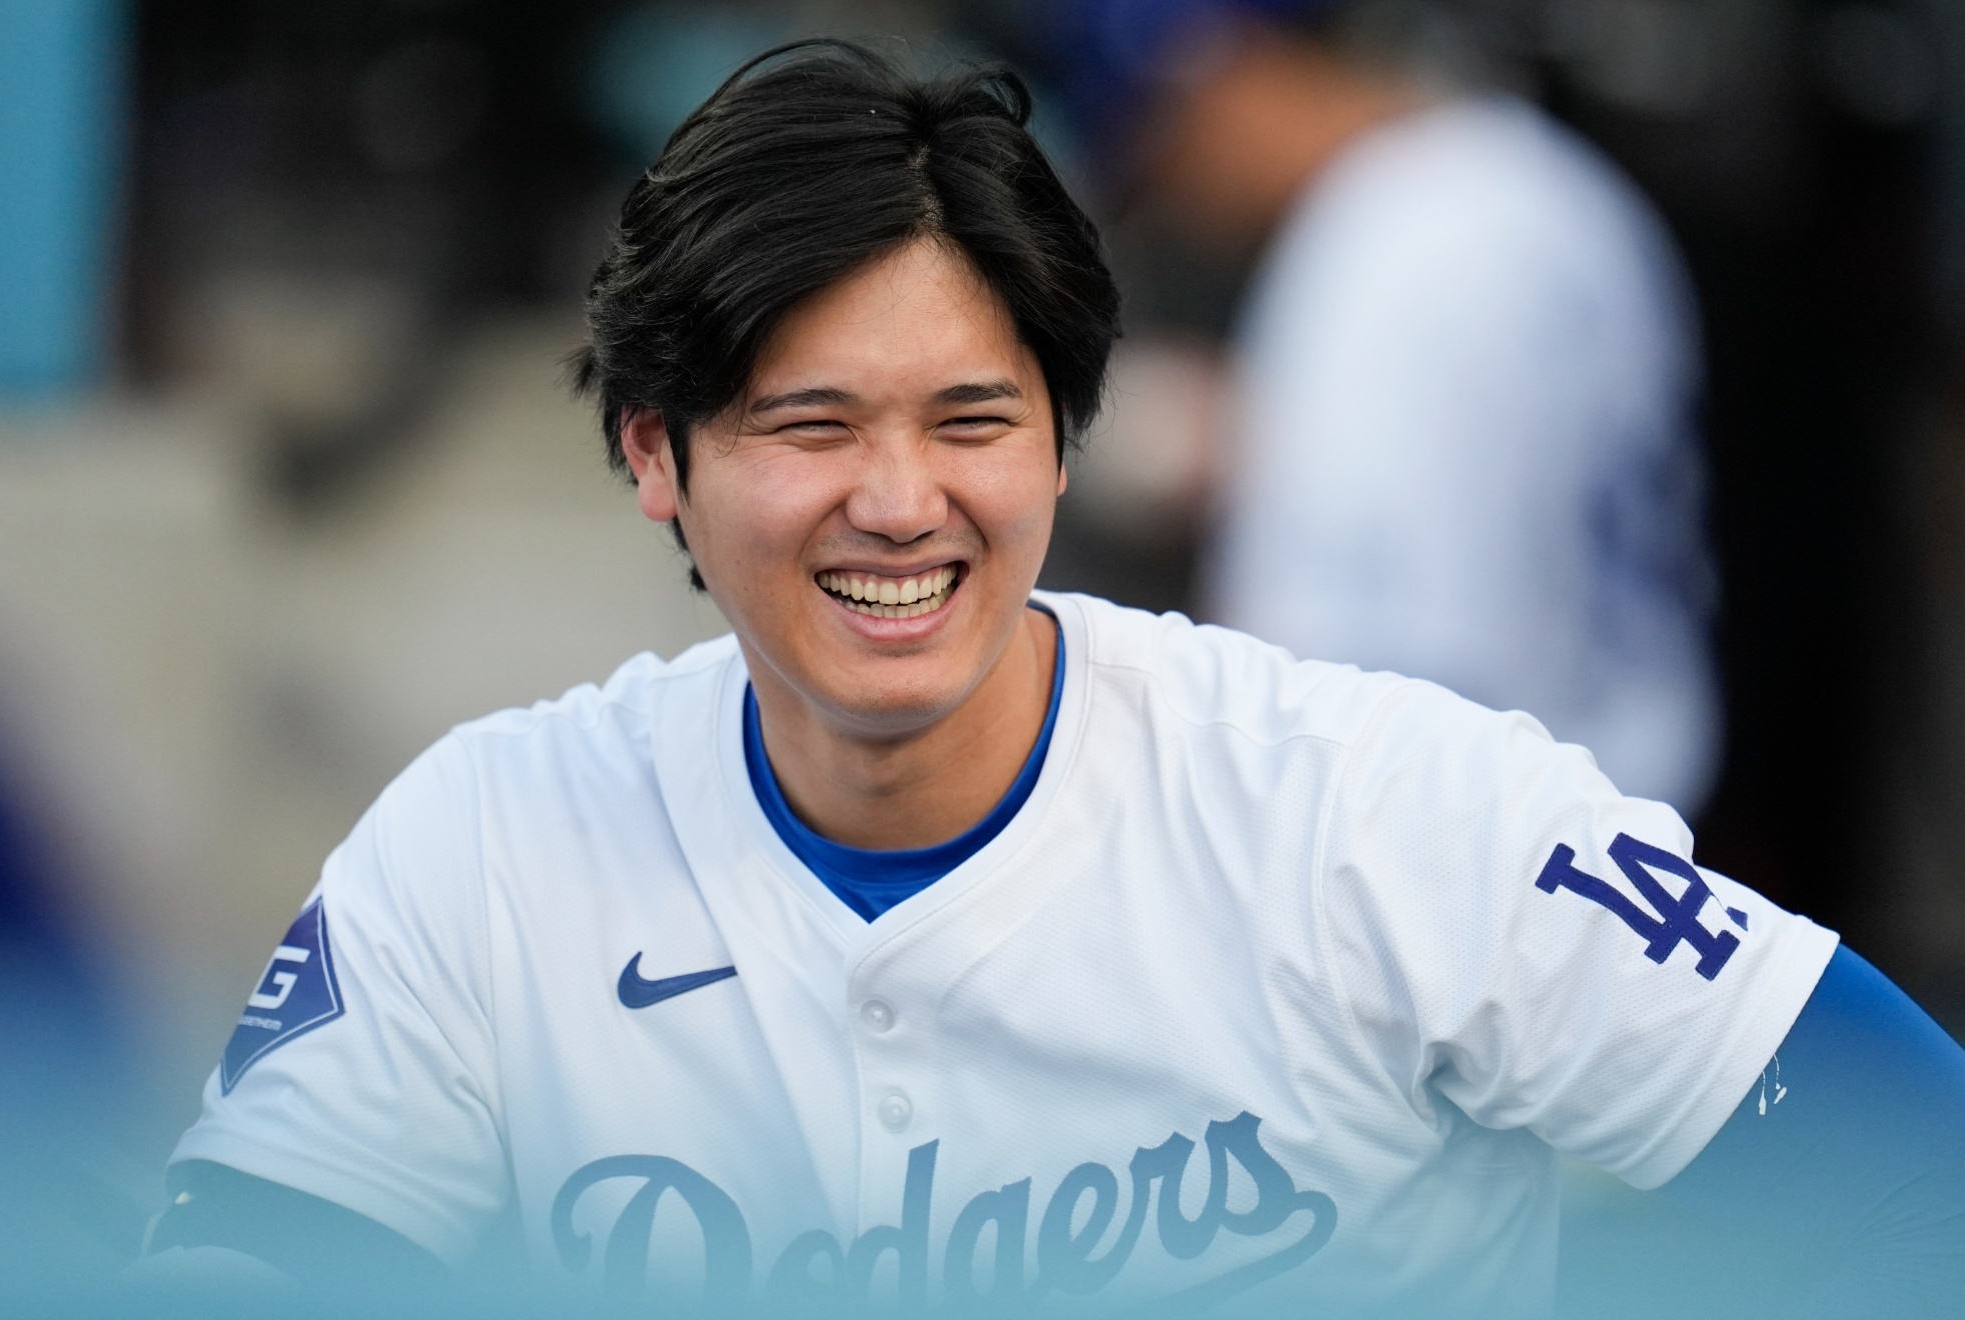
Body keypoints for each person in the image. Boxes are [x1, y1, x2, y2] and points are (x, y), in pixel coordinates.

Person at [145, 40, 1965, 1317]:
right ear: (653, 454)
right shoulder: (481, 848)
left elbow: (1909, 1171)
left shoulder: (1377, 806)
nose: (899, 501)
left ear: (1066, 445)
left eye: (973, 420)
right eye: (809, 423)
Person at [1048, 0, 1722, 817]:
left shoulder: (1392, 248)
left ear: (1213, 73)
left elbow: (1363, 682)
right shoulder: (1539, 180)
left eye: (1159, 157)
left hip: (1486, 860)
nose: (1178, 208)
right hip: (1619, 807)